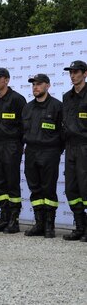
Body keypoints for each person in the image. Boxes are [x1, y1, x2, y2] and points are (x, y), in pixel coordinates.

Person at [22, 74, 63, 238]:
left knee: (49, 189)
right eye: (33, 85)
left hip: (49, 152)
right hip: (31, 151)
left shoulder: (57, 106)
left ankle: (49, 226)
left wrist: (55, 151)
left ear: (48, 86)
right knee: (35, 189)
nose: (35, 87)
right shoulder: (28, 107)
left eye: (39, 84)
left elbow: (63, 133)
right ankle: (39, 223)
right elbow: (22, 130)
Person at [0, 68, 26, 234]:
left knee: (12, 182)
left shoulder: (17, 99)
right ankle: (4, 216)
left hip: (11, 146)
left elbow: (25, 125)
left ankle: (14, 219)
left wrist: (19, 146)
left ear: (7, 80)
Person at [62, 60, 87, 242]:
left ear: (85, 74)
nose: (73, 75)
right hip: (70, 147)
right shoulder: (66, 97)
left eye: (76, 72)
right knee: (71, 189)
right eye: (71, 72)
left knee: (86, 188)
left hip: (85, 146)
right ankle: (80, 227)